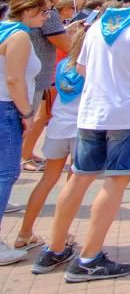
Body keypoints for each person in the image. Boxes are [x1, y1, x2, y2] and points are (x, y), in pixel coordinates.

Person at [33, 0, 130, 281]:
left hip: (91, 113)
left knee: (78, 179)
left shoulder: (98, 24)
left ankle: (54, 249)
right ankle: (89, 257)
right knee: (114, 183)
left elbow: (82, 68)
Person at [15, 19, 88, 254]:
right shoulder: (91, 68)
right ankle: (61, 236)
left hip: (57, 127)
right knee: (73, 186)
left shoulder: (62, 65)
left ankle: (24, 233)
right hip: (81, 129)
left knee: (47, 180)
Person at [0, 0, 51, 265]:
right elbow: (14, 79)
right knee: (5, 174)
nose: (47, 18)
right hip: (8, 107)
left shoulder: (4, 30)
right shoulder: (19, 36)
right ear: (30, 10)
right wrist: (27, 111)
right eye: (44, 12)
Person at [22, 0, 71, 172]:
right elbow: (62, 42)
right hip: (32, 76)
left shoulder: (27, 4)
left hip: (26, 73)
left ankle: (24, 155)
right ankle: (22, 158)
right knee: (23, 125)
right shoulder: (46, 9)